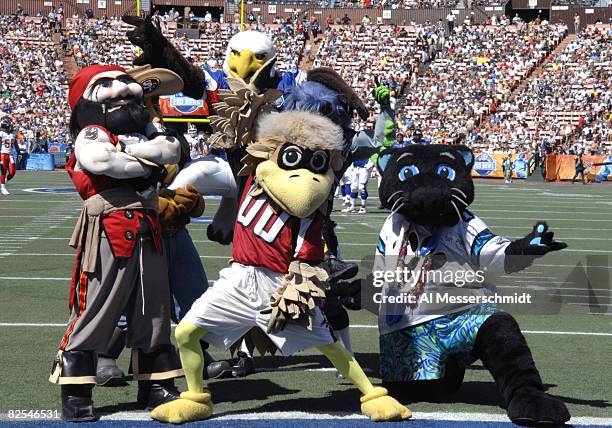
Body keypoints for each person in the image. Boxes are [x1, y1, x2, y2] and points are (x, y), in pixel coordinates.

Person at [0, 117, 16, 195]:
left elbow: (15, 143)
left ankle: (4, 182)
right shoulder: (1, 133)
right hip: (3, 153)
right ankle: (3, 188)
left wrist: (19, 151)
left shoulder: (13, 133)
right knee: (3, 171)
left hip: (11, 154)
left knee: (12, 172)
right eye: (9, 125)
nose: (11, 126)